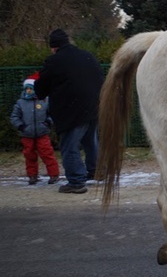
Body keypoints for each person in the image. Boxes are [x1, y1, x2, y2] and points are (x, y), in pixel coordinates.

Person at [34, 29, 104, 194]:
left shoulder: (54, 61)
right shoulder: (87, 56)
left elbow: (41, 88)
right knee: (90, 141)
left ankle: (76, 181)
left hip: (71, 109)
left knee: (70, 145)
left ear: (53, 47)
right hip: (94, 106)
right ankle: (96, 171)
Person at [9, 75, 60, 185]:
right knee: (29, 156)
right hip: (27, 134)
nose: (29, 90)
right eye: (27, 88)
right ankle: (32, 176)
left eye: (31, 88)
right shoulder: (20, 103)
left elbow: (52, 114)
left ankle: (54, 174)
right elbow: (14, 117)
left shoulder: (44, 100)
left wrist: (48, 123)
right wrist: (21, 126)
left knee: (47, 154)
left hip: (42, 133)